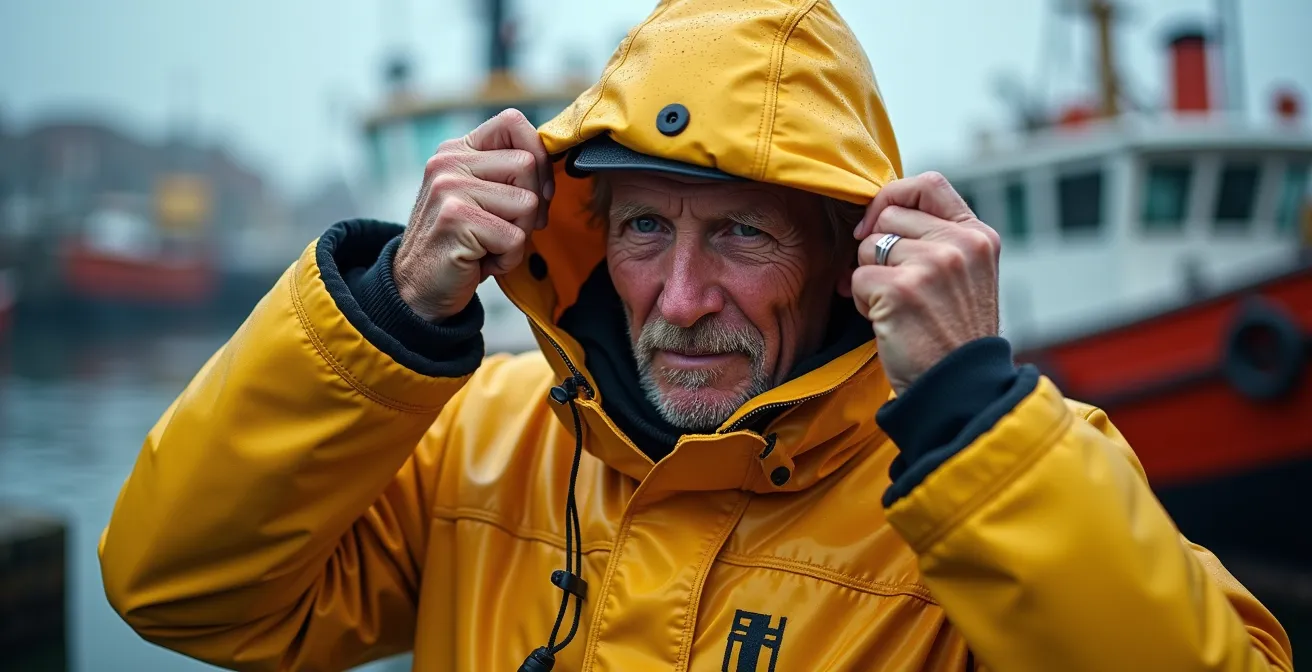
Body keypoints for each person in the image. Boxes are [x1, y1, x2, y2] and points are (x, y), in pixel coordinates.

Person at [100, 1, 1294, 670]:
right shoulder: (483, 441)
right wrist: (390, 311)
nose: (677, 297)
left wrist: (976, 416)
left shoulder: (998, 488)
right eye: (641, 230)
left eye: (739, 235)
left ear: (843, 255)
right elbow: (180, 589)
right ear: (581, 236)